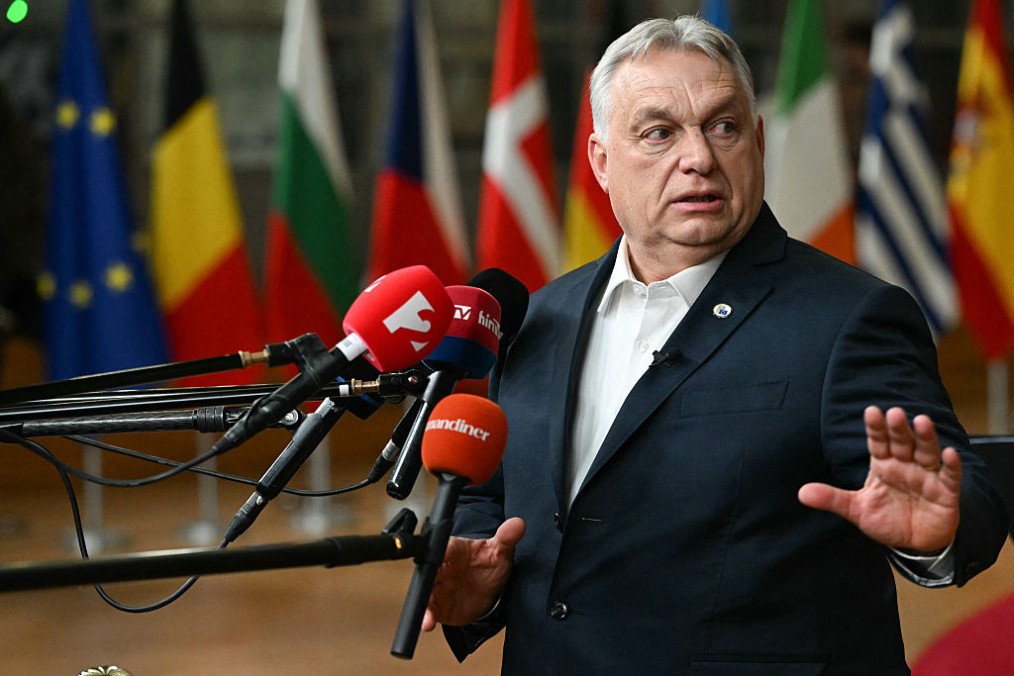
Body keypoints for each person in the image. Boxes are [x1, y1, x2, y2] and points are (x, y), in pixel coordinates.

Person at [422, 15, 1009, 674]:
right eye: (659, 133)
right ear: (601, 161)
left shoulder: (850, 319)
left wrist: (942, 532)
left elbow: (967, 494)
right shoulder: (538, 317)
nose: (698, 156)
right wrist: (473, 582)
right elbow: (492, 501)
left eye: (723, 127)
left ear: (757, 143)